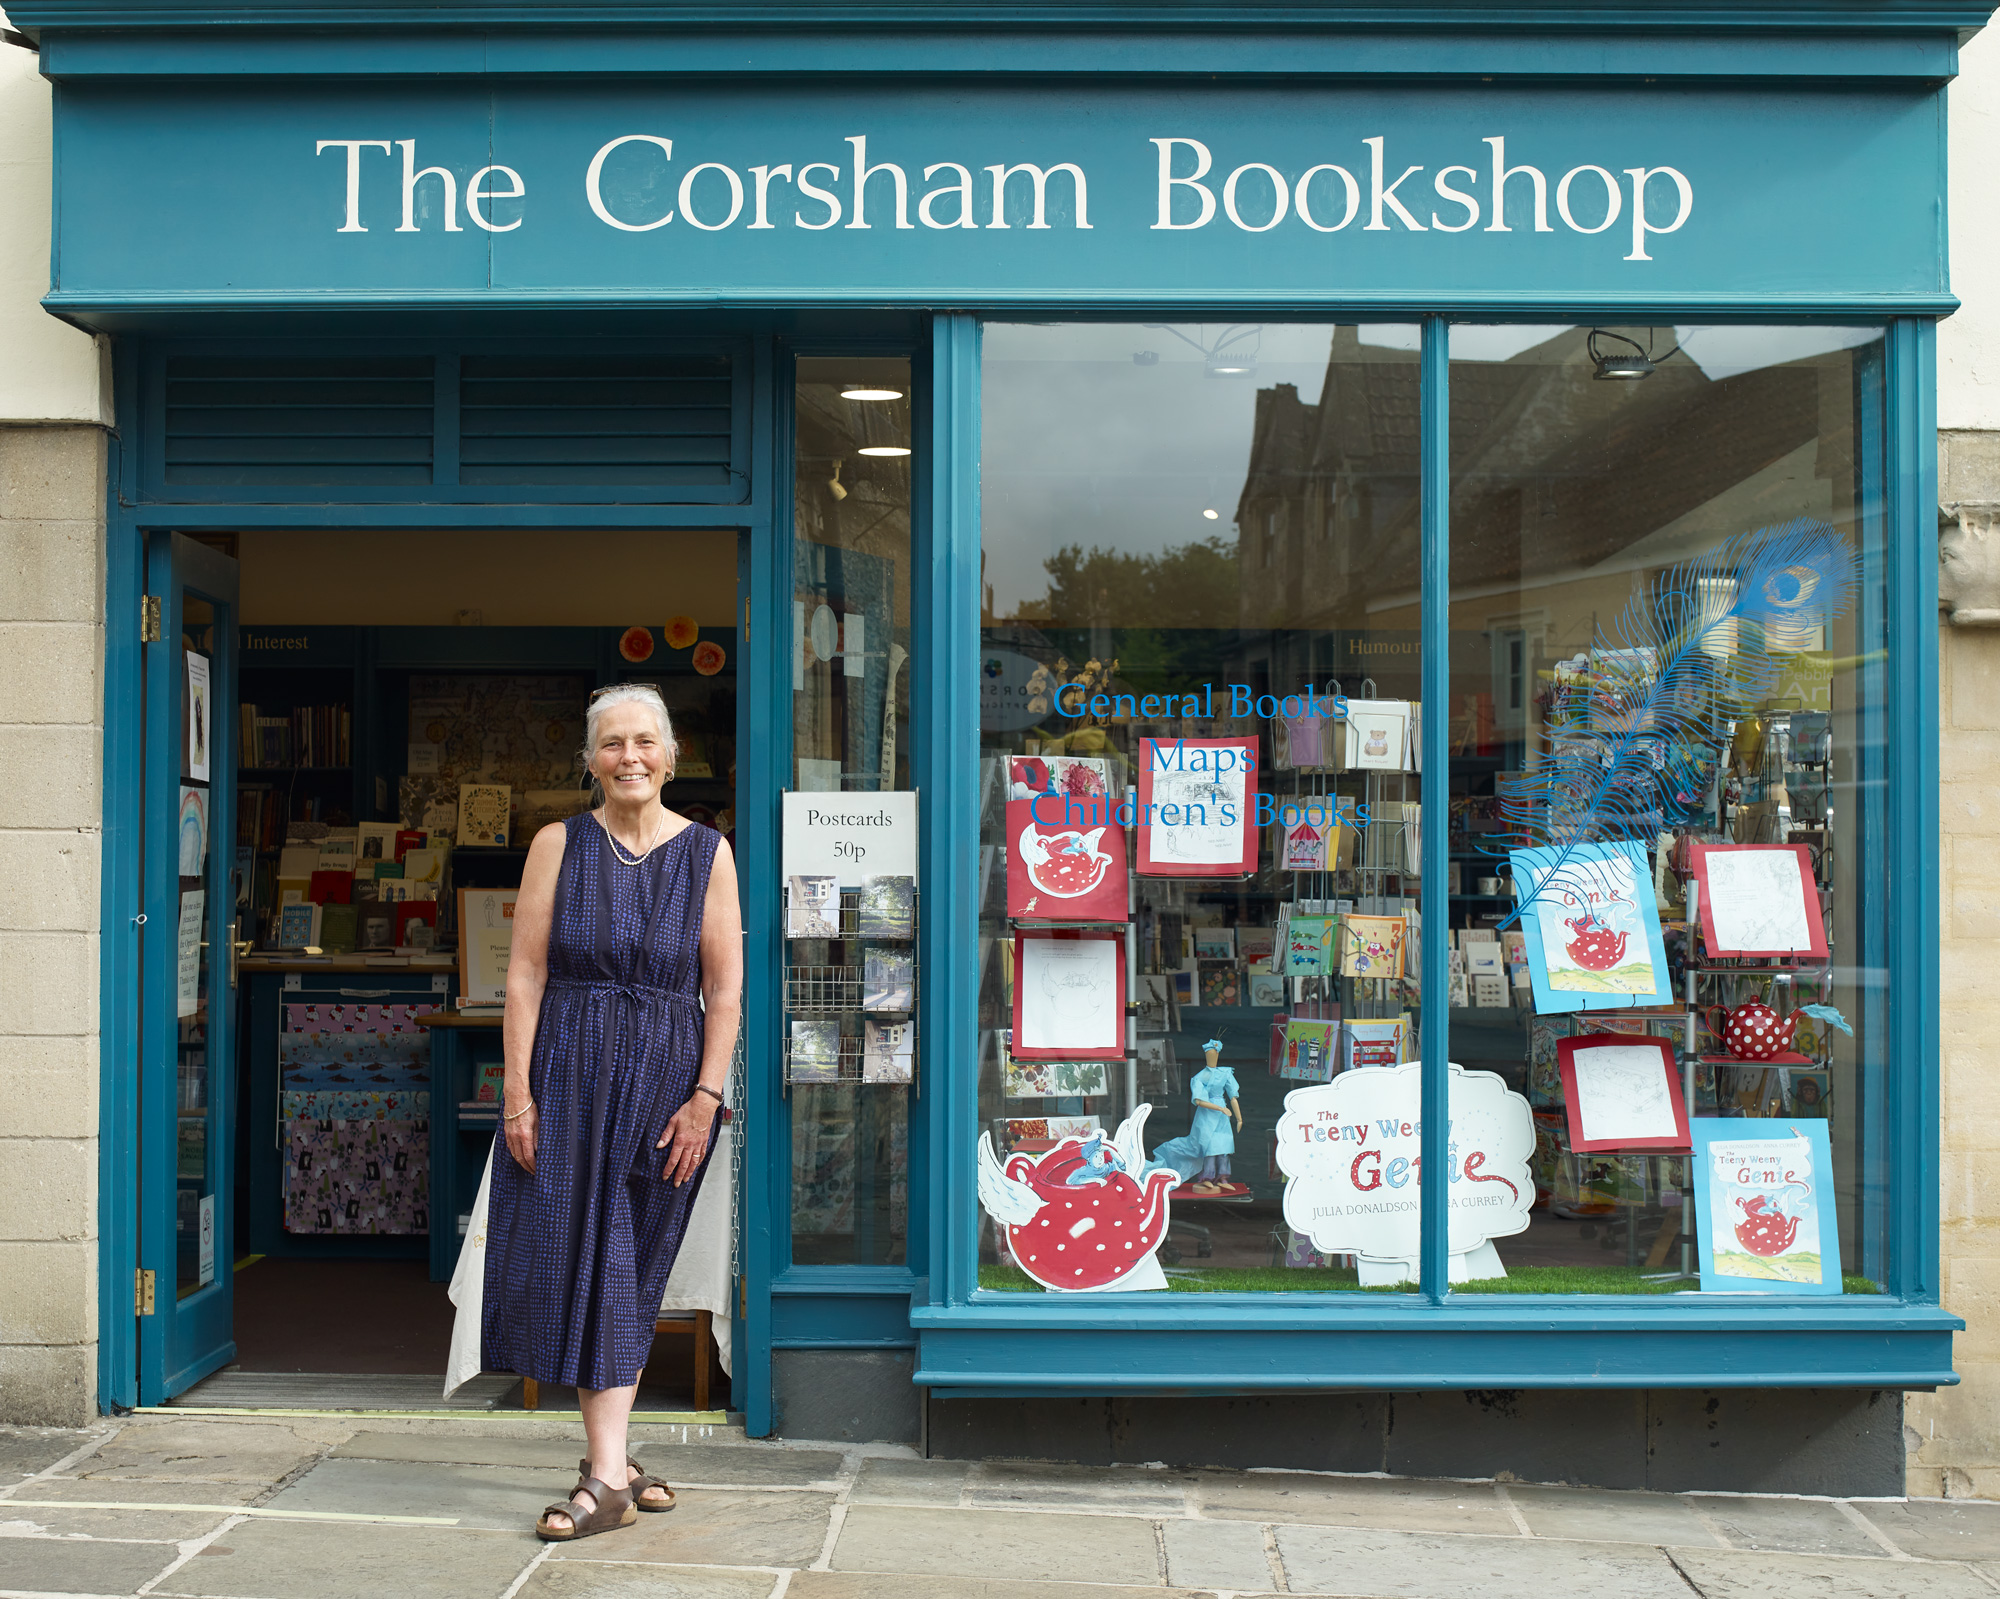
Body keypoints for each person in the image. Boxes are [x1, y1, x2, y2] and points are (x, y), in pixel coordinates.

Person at [483, 683, 742, 1542]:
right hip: (565, 1076)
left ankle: (607, 1471)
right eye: (611, 743)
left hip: (667, 1089)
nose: (628, 756)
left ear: (670, 756)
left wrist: (707, 1096)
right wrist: (515, 1090)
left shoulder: (708, 854)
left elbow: (725, 990)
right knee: (574, 1257)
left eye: (644, 741)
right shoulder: (558, 844)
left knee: (629, 1264)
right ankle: (612, 1469)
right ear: (590, 758)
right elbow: (523, 972)